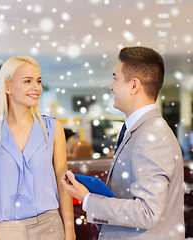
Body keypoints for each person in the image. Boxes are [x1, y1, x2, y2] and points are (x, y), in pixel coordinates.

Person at [61, 46, 185, 239]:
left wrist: (87, 199)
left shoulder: (152, 136)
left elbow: (147, 213)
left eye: (115, 78)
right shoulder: (141, 130)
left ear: (134, 85)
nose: (111, 86)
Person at [0, 56, 76, 240]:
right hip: (7, 229)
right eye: (28, 81)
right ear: (7, 87)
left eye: (38, 81)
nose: (37, 87)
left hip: (50, 225)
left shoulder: (52, 128)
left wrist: (69, 229)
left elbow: (62, 181)